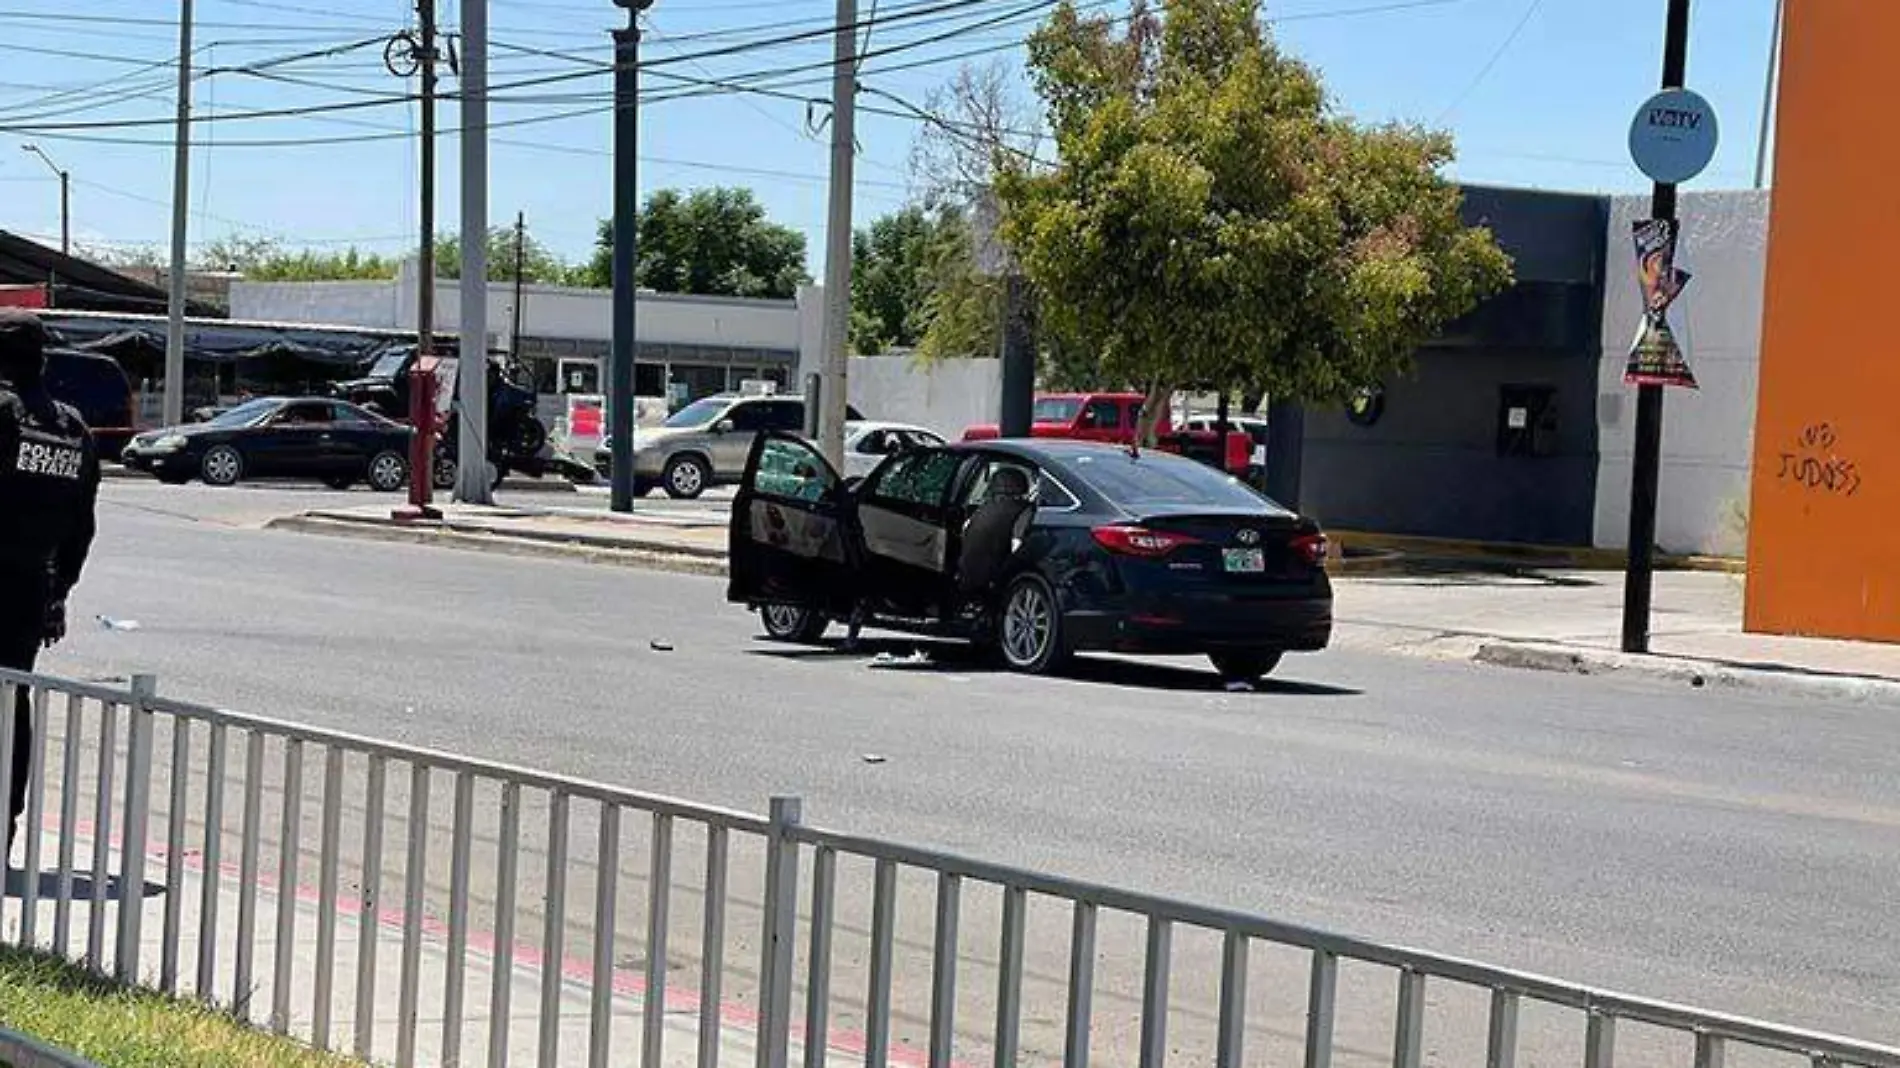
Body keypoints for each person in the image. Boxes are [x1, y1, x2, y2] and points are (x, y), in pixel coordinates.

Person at [0, 309, 100, 856]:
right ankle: (3, 830)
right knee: (11, 712)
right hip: (29, 593)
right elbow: (82, 526)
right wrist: (58, 593)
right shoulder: (71, 429)